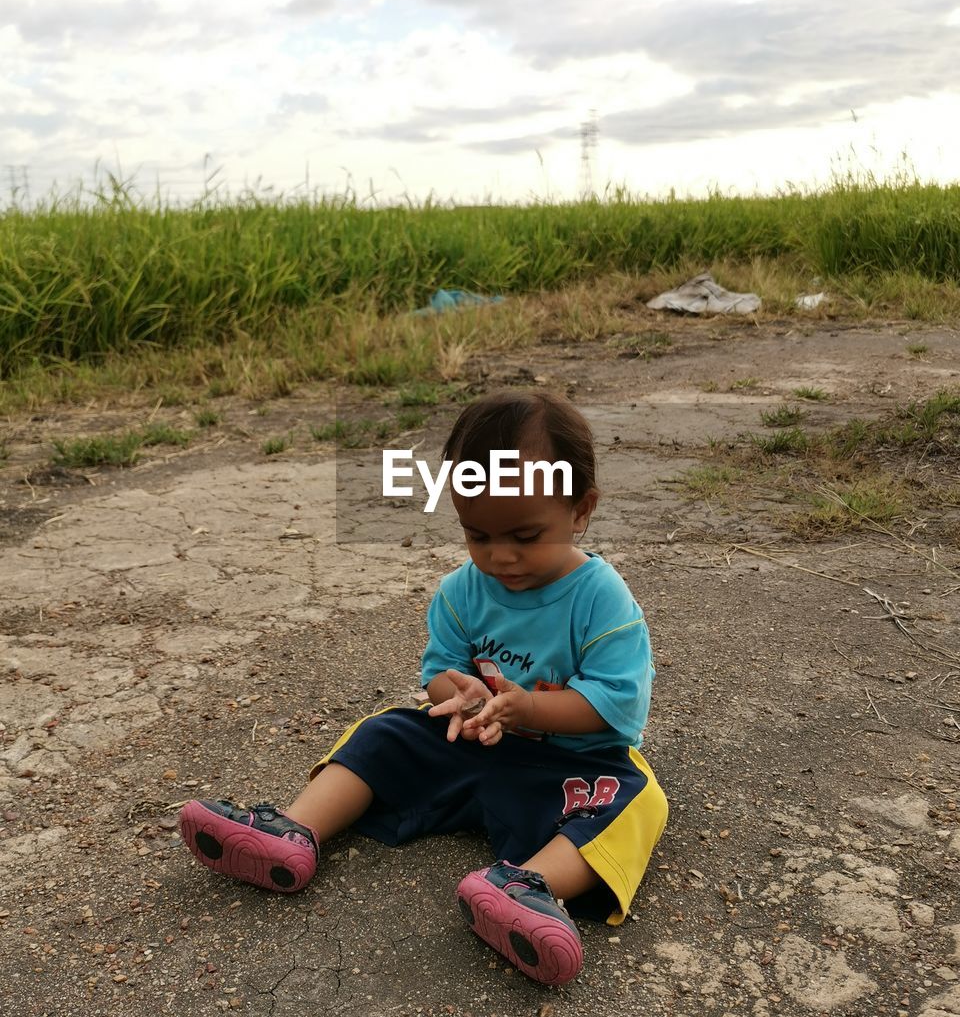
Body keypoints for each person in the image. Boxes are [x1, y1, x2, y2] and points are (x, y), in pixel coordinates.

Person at [178, 390, 668, 986]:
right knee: (387, 730)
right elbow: (439, 669)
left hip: (566, 767)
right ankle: (291, 830)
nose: (500, 556)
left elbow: (617, 704)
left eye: (524, 533)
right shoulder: (462, 590)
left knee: (637, 799)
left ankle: (526, 888)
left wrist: (528, 708)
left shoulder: (601, 597)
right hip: (473, 744)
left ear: (582, 509)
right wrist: (453, 694)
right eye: (477, 534)